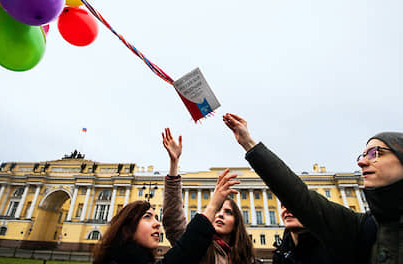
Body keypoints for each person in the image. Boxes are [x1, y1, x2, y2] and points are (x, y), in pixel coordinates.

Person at [223, 113, 403, 264]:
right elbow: (298, 197)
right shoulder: (359, 228)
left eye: (374, 153)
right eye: (363, 155)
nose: (362, 162)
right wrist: (248, 143)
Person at [93, 168, 241, 264]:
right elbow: (175, 226)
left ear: (237, 223)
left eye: (228, 212)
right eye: (147, 217)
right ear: (127, 227)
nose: (158, 224)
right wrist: (212, 206)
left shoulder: (244, 258)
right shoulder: (202, 250)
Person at [162, 128, 255, 264]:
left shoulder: (247, 259)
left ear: (237, 223)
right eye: (217, 210)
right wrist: (174, 164)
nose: (220, 215)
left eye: (228, 212)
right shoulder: (197, 248)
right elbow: (173, 221)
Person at [273, 204, 338, 264]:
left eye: (295, 203)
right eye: (284, 205)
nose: (287, 209)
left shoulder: (334, 249)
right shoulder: (280, 254)